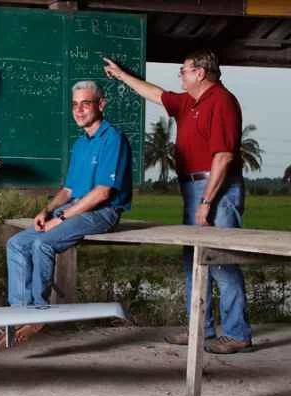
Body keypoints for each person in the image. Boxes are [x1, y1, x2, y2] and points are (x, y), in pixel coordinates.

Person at [103, 49, 252, 354]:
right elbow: (156, 94)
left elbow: (223, 157)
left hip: (216, 188)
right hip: (192, 187)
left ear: (200, 73)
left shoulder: (221, 101)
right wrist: (121, 76)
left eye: (184, 70)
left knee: (221, 260)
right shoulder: (188, 102)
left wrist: (206, 202)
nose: (180, 75)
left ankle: (237, 334)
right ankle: (200, 328)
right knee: (192, 260)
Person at [6, 81, 132, 315]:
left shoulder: (113, 138)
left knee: (42, 244)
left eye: (85, 104)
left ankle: (39, 312)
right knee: (17, 243)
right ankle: (20, 312)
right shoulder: (81, 143)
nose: (79, 110)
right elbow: (68, 190)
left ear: (101, 104)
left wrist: (60, 218)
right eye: (75, 105)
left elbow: (102, 193)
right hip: (75, 208)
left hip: (102, 211)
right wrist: (47, 211)